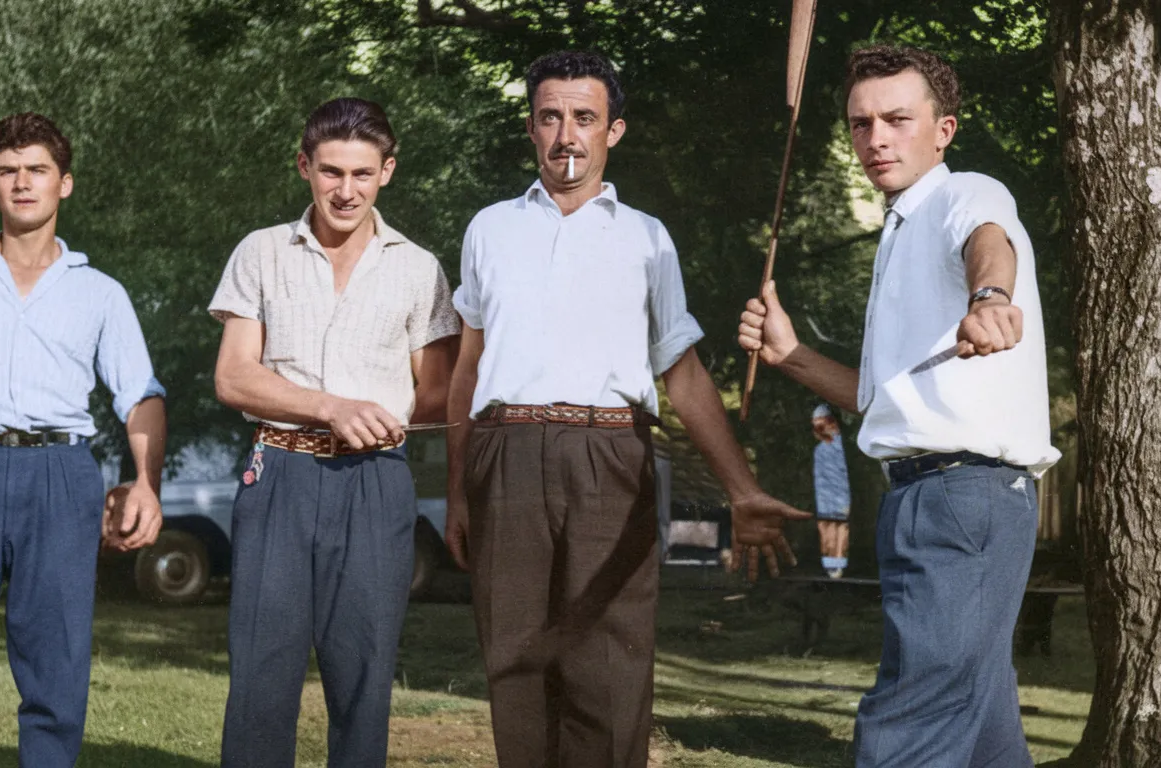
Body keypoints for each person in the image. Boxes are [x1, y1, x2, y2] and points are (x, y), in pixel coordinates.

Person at [442, 50, 809, 768]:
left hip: (610, 454)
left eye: (584, 118)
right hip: (506, 454)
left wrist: (741, 488)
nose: (566, 136)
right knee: (515, 660)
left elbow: (684, 372)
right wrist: (458, 489)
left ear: (613, 131)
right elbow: (468, 368)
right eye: (550, 117)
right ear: (531, 127)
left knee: (608, 664)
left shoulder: (647, 237)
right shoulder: (489, 228)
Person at [738, 45, 1061, 767]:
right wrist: (790, 354)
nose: (876, 139)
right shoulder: (902, 229)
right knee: (981, 729)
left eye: (897, 119)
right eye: (861, 124)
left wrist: (990, 298)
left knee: (910, 722)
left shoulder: (963, 195)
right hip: (932, 495)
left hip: (961, 495)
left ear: (943, 130)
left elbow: (988, 241)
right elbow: (878, 401)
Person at [208, 97, 460, 767]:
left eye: (362, 174)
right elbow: (234, 377)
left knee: (363, 675)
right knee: (262, 672)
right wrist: (330, 407)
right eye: (331, 172)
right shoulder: (262, 251)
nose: (346, 191)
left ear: (388, 172)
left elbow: (437, 395)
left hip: (376, 481)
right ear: (304, 166)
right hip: (279, 472)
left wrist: (383, 417)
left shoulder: (419, 268)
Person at [0, 112, 167, 767]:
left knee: (56, 656)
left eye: (37, 170)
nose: (22, 183)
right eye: (7, 171)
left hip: (60, 475)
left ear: (63, 183)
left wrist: (145, 484)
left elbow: (141, 394)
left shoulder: (100, 293)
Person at [811, 404, 851, 577]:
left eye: (822, 424)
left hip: (841, 494)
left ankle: (839, 562)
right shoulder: (819, 450)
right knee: (826, 527)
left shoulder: (842, 445)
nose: (819, 429)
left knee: (840, 526)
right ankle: (829, 562)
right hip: (823, 497)